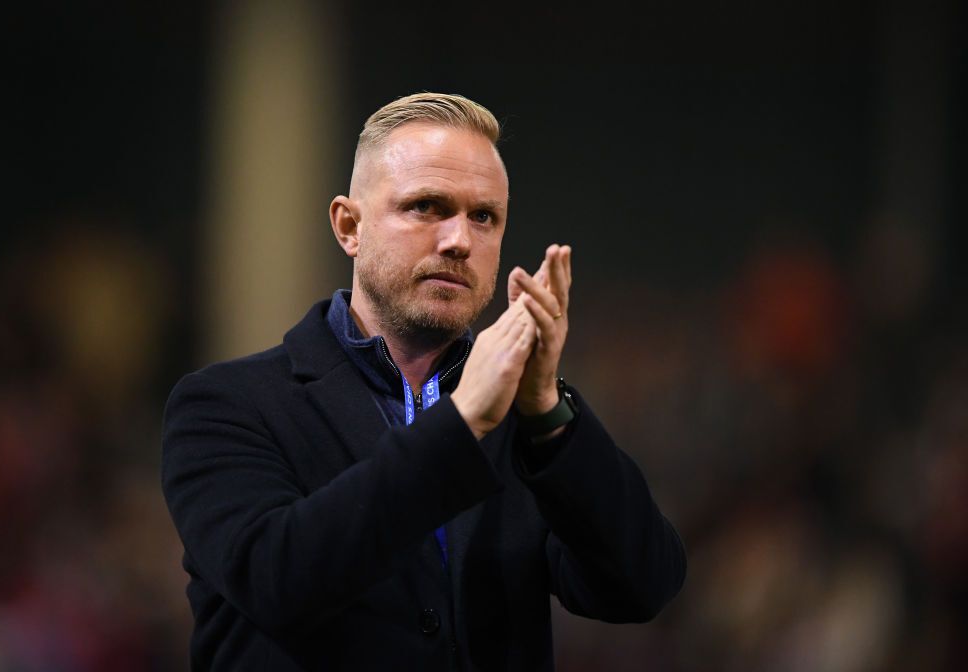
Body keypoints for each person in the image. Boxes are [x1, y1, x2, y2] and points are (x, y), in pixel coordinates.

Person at [161, 92, 686, 671]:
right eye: (427, 207)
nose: (460, 240)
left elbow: (641, 587)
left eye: (484, 216)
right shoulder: (226, 405)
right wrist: (462, 425)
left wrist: (545, 409)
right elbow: (277, 580)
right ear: (348, 226)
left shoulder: (528, 420)